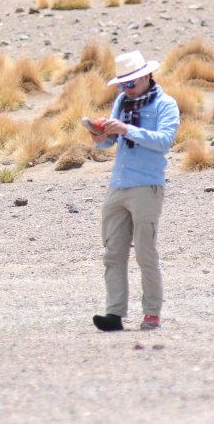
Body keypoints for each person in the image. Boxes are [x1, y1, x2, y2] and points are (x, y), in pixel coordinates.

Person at [86, 50, 180, 332]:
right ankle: (114, 313)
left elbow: (164, 141)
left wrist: (126, 129)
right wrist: (98, 135)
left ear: (146, 76)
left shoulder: (166, 104)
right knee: (113, 253)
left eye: (131, 84)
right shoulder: (121, 103)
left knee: (145, 252)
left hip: (146, 186)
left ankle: (151, 312)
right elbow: (107, 145)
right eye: (122, 85)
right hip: (118, 185)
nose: (126, 90)